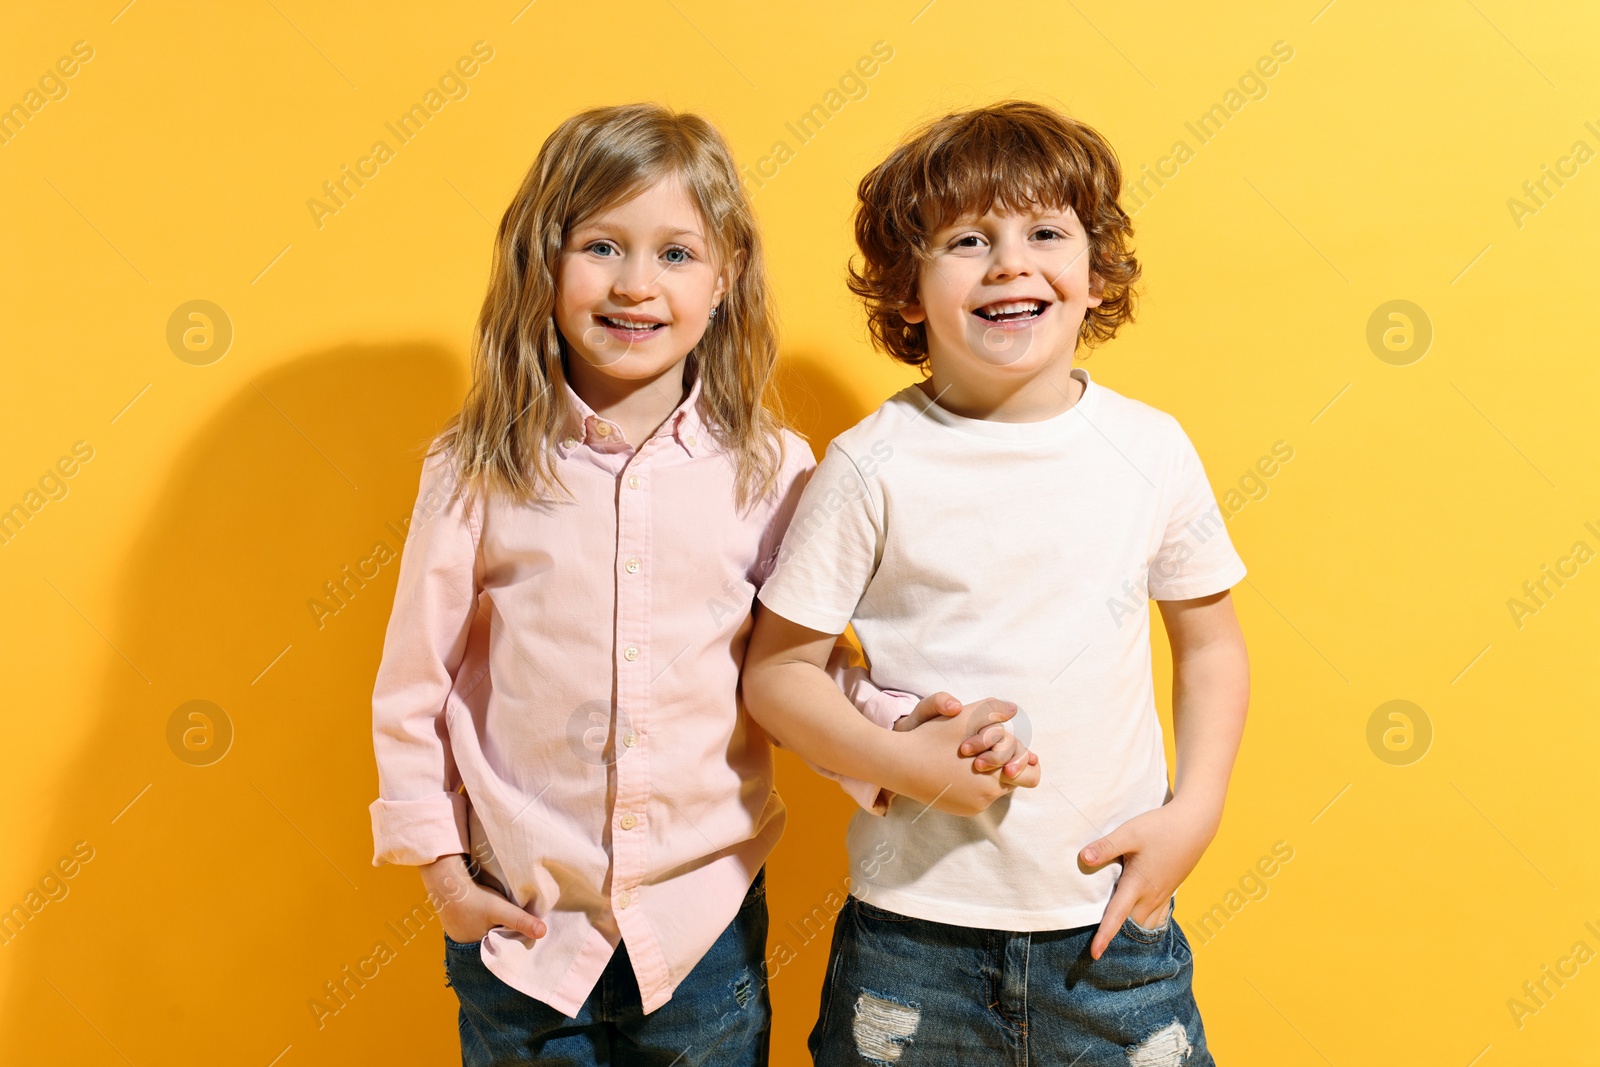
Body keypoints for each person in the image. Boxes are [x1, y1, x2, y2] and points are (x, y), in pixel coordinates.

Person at [366, 102, 1035, 1067]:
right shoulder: (477, 468)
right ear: (543, 268)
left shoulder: (772, 470)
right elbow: (412, 689)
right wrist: (443, 876)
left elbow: (803, 666)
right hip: (520, 923)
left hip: (700, 926)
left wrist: (902, 732)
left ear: (724, 282)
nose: (637, 285)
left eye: (677, 254)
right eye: (602, 246)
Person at [741, 99, 1251, 1065]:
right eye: (969, 240)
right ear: (907, 294)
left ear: (1095, 275)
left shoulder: (1150, 449)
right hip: (912, 942)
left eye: (1045, 233)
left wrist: (1199, 811)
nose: (1011, 263)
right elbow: (776, 676)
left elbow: (1212, 641)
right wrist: (903, 764)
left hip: (1110, 931)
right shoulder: (871, 465)